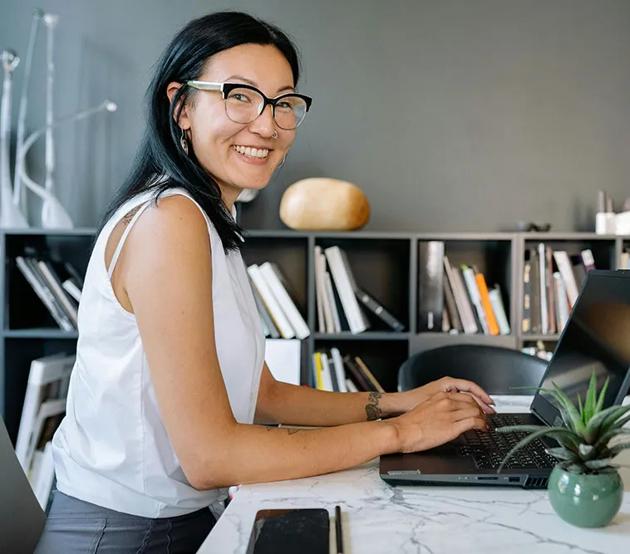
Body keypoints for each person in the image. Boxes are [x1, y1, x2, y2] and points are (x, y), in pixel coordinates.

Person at [35, 11, 494, 553]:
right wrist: (403, 434)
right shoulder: (169, 221)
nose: (267, 124)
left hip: (175, 521)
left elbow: (263, 395)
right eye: (240, 95)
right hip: (126, 535)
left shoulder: (204, 219)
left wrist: (398, 402)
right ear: (181, 106)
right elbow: (211, 457)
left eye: (282, 102)